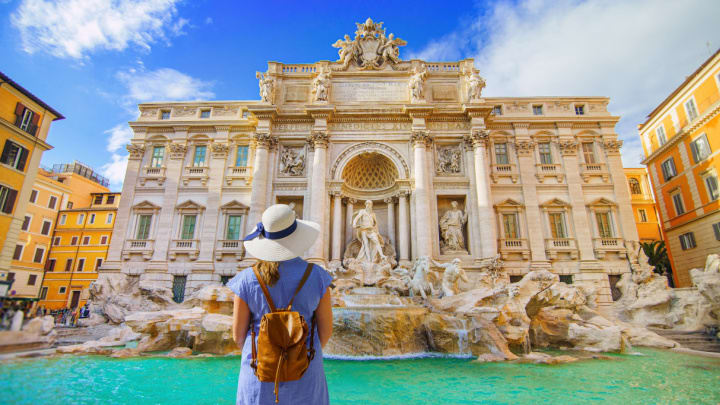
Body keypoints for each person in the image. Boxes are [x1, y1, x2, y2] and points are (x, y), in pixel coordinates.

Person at [228, 204, 333, 405]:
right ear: (296, 238)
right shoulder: (318, 277)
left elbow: (238, 336)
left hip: (259, 372)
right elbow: (325, 333)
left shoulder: (246, 279)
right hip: (306, 372)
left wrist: (270, 353)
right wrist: (296, 353)